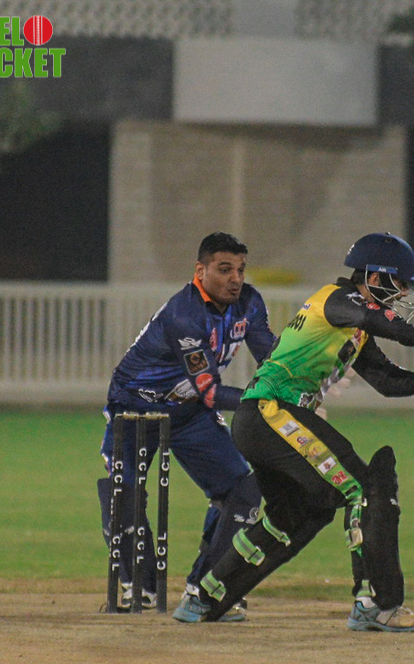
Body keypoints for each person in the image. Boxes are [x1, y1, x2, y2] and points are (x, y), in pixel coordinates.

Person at [192, 231, 414, 632]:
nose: (403, 294)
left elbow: (386, 381)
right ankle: (376, 604)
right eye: (399, 284)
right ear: (375, 278)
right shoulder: (335, 299)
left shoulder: (354, 325)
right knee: (363, 488)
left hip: (263, 421)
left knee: (300, 514)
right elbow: (370, 316)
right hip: (271, 413)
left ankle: (206, 598)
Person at [96, 232, 276, 622]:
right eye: (224, 269)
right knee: (124, 492)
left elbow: (274, 360)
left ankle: (208, 587)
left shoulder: (249, 302)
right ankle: (138, 587)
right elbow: (210, 391)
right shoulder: (184, 315)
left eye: (240, 270)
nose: (235, 279)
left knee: (241, 490)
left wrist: (310, 374)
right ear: (200, 270)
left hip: (189, 410)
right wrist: (267, 402)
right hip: (136, 405)